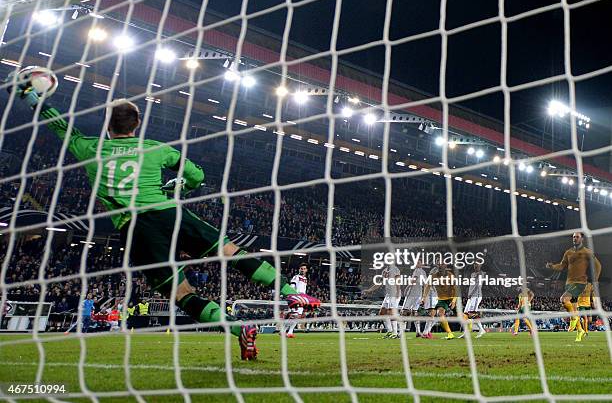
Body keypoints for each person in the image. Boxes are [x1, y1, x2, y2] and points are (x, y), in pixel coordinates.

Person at [10, 79, 320, 360]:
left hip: (135, 229)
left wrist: (32, 96)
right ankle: (290, 293)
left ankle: (240, 330)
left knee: (183, 295)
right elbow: (196, 174)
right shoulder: (156, 149)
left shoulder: (92, 148)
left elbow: (62, 127)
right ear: (138, 123)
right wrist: (182, 185)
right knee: (231, 252)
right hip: (171, 214)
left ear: (108, 125)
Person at [546, 232, 601, 342]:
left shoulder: (587, 252)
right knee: (574, 309)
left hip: (580, 283)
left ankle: (574, 319)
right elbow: (562, 266)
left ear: (582, 239)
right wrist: (552, 266)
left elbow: (598, 265)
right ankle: (579, 331)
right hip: (569, 283)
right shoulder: (568, 252)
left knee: (564, 299)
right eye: (573, 237)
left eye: (577, 237)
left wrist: (595, 280)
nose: (574, 238)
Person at [363, 264, 402, 339]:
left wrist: (397, 292)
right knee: (382, 313)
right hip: (388, 294)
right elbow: (379, 283)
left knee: (391, 313)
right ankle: (390, 331)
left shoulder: (395, 269)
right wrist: (369, 290)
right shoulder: (384, 271)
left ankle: (395, 333)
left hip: (394, 293)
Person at [422, 264, 457, 340]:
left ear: (445, 267)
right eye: (439, 266)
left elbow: (456, 288)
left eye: (442, 266)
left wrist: (454, 301)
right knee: (440, 314)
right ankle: (450, 334)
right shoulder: (434, 275)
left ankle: (470, 325)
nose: (440, 268)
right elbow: (428, 286)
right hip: (442, 298)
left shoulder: (450, 275)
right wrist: (424, 298)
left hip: (452, 297)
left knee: (464, 315)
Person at [458, 263, 486, 339]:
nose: (475, 266)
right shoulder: (473, 274)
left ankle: (481, 329)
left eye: (477, 265)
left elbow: (478, 285)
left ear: (480, 266)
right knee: (466, 314)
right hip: (471, 296)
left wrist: (472, 293)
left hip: (476, 296)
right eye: (474, 265)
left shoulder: (481, 274)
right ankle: (467, 332)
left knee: (471, 313)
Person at [400, 262, 427, 337]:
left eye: (418, 262)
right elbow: (425, 284)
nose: (416, 264)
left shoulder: (417, 270)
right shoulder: (423, 272)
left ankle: (401, 332)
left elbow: (414, 280)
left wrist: (407, 287)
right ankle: (418, 331)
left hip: (412, 293)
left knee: (404, 311)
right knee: (415, 311)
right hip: (419, 293)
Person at [284, 263, 309, 338]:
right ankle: (285, 330)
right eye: (301, 268)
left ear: (306, 270)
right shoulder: (296, 277)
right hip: (295, 298)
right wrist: (293, 295)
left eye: (304, 269)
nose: (303, 270)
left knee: (298, 316)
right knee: (294, 315)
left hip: (302, 298)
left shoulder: (305, 279)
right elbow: (292, 286)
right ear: (299, 269)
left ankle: (288, 332)